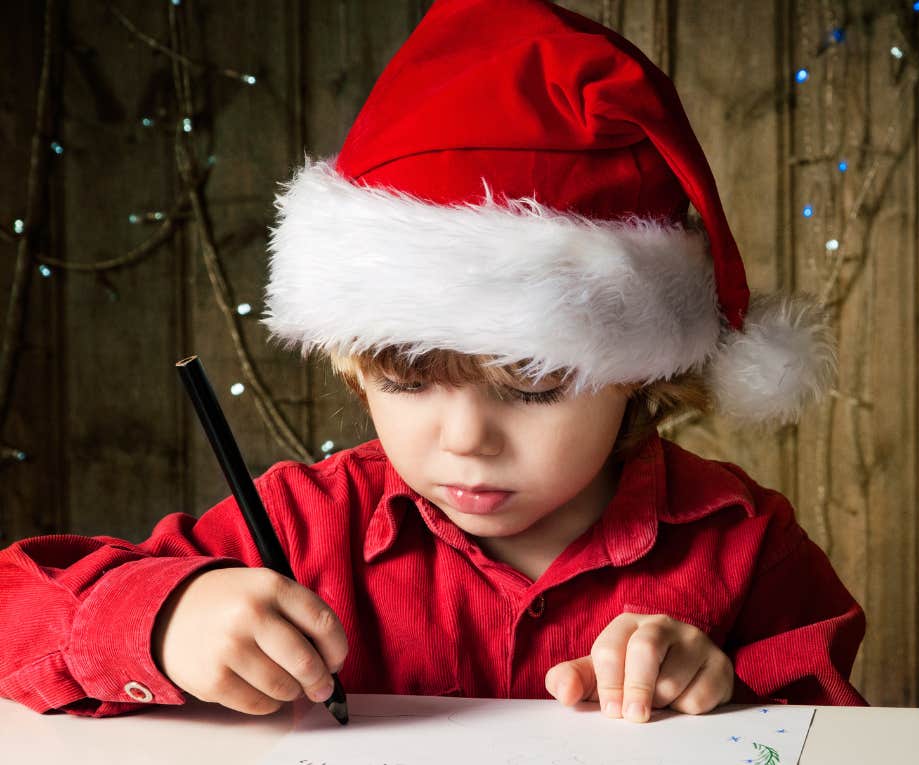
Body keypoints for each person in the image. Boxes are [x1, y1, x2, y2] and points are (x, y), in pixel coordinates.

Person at [0, 0, 866, 722]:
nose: (465, 439)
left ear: (634, 366)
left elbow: (842, 724)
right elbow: (16, 608)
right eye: (408, 381)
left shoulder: (744, 544)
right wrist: (163, 622)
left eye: (530, 385)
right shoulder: (305, 528)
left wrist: (729, 692)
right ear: (352, 362)